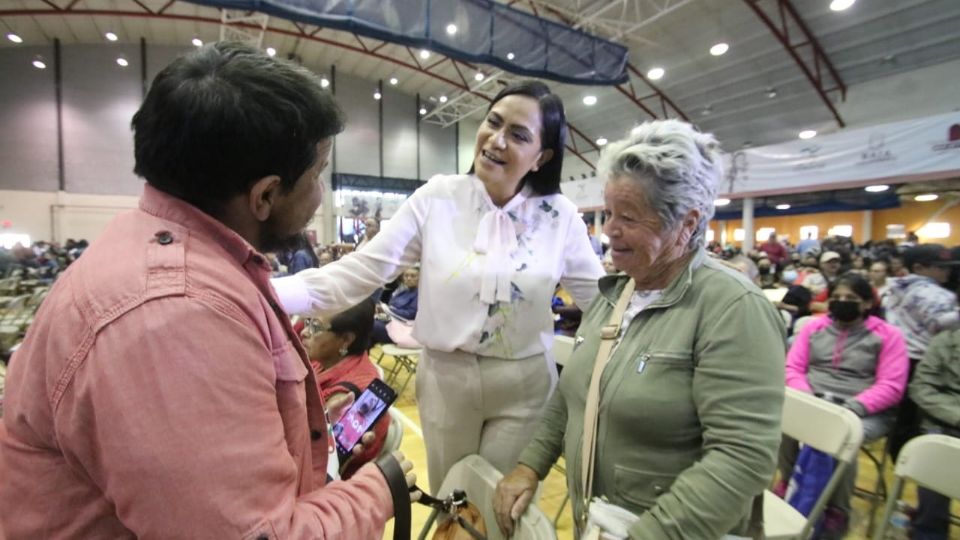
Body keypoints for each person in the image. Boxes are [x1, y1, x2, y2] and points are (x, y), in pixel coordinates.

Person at [0, 43, 415, 538]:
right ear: (264, 195)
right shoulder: (174, 317)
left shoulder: (165, 253)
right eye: (318, 174)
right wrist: (376, 493)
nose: (321, 193)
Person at [272, 80, 604, 492]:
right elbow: (361, 271)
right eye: (493, 123)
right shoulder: (438, 197)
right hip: (448, 379)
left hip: (525, 384)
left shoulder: (561, 216)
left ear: (543, 156)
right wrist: (263, 291)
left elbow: (602, 301)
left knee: (501, 514)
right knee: (453, 501)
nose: (496, 140)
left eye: (518, 135)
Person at [493, 120, 785, 538]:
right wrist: (529, 465)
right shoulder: (616, 294)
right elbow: (576, 395)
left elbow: (741, 459)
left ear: (687, 224)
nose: (608, 229)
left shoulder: (733, 309)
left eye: (627, 217)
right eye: (608, 213)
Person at [778, 273, 908, 538]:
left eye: (851, 298)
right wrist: (808, 399)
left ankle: (837, 508)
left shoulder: (888, 335)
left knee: (841, 435)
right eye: (836, 297)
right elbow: (793, 367)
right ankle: (790, 481)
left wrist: (852, 407)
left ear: (867, 303)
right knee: (783, 422)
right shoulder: (814, 329)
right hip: (813, 398)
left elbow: (892, 386)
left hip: (863, 408)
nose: (842, 302)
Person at [883, 244, 960, 459]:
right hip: (922, 361)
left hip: (895, 357)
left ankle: (901, 460)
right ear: (919, 267)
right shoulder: (938, 296)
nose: (948, 272)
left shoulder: (895, 287)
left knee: (903, 419)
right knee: (916, 419)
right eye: (940, 267)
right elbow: (949, 330)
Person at [299, 299, 389, 478]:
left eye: (316, 327)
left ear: (346, 340)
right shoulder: (326, 360)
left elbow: (315, 460)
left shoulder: (347, 399)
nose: (303, 332)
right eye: (307, 322)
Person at [909, 328, 960, 540]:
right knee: (936, 455)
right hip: (945, 420)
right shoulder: (946, 341)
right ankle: (929, 532)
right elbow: (921, 388)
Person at [372, 266, 421, 344]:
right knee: (367, 318)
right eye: (406, 276)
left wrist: (388, 309)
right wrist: (381, 309)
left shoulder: (420, 294)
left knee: (372, 324)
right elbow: (390, 308)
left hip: (403, 326)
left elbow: (410, 315)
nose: (408, 278)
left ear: (420, 278)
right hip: (391, 319)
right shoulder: (401, 292)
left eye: (413, 276)